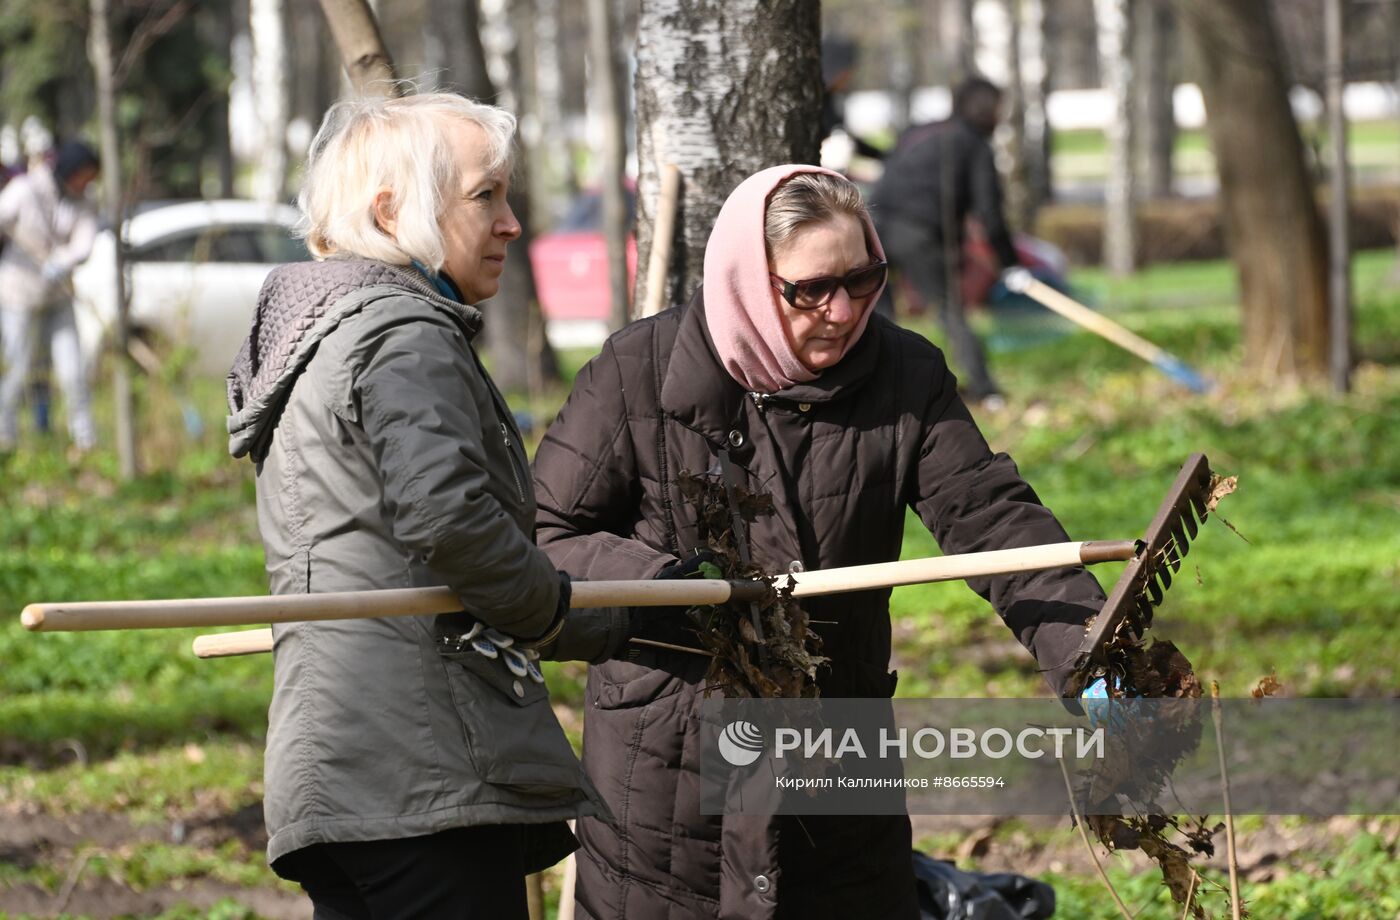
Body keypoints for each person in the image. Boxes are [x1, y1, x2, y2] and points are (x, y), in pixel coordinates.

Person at [531, 164, 1109, 920]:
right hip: (667, 792)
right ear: (746, 278)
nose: (842, 312)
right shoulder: (636, 373)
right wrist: (675, 587)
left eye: (863, 279)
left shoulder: (904, 373)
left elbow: (992, 519)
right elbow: (541, 539)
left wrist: (1094, 657)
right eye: (809, 289)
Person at [226, 92, 662, 919]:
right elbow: (449, 518)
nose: (510, 224)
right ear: (392, 212)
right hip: (419, 766)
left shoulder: (326, 329)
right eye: (484, 196)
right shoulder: (400, 332)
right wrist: (566, 616)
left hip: (346, 770)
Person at [871, 77, 1020, 403]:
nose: (1001, 117)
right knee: (949, 309)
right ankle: (985, 390)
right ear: (985, 109)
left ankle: (880, 393)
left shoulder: (918, 131)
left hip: (872, 224)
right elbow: (990, 214)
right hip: (916, 232)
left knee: (875, 312)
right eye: (999, 109)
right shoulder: (973, 144)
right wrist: (1010, 265)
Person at [0, 139, 99, 455]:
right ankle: (6, 441)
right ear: (70, 171)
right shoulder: (26, 190)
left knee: (73, 373)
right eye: (85, 175)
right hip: (19, 298)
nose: (89, 182)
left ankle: (85, 442)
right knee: (16, 372)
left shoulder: (83, 202)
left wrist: (64, 260)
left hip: (58, 297)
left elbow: (84, 243)